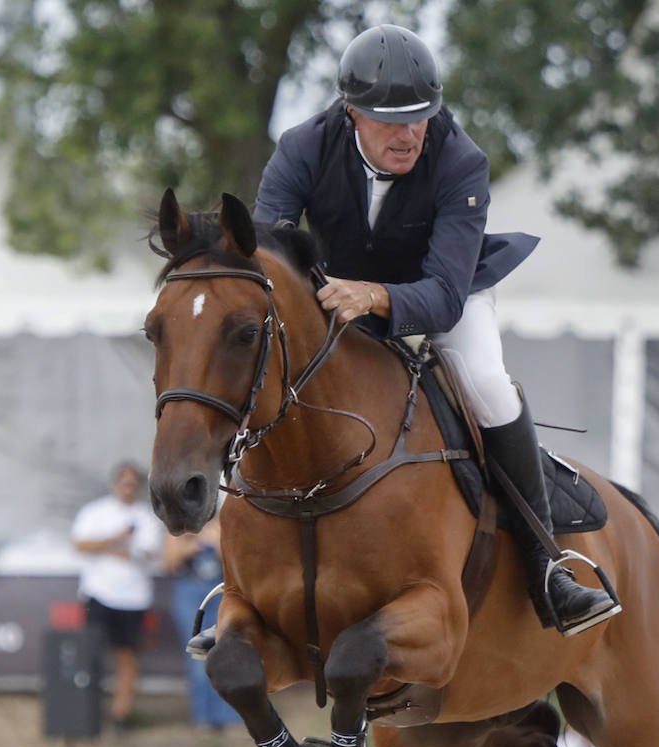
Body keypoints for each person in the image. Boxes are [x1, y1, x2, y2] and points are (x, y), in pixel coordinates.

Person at [252, 24, 617, 637]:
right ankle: (240, 574)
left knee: (487, 383)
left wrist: (374, 295)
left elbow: (445, 297)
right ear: (351, 112)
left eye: (420, 118)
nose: (408, 134)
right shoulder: (301, 147)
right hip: (337, 292)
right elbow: (269, 256)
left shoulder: (460, 160)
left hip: (447, 290)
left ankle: (546, 565)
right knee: (265, 372)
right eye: (390, 121)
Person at [71, 463, 165, 732]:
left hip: (133, 599)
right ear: (115, 484)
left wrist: (105, 547)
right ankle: (86, 713)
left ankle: (120, 715)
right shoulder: (95, 511)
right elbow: (79, 544)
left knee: (127, 658)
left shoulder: (146, 517)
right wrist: (118, 539)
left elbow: (147, 554)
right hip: (98, 593)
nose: (128, 488)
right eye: (124, 483)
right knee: (90, 656)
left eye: (133, 484)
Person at [164, 518, 240, 732]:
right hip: (190, 592)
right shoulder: (180, 526)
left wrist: (218, 545)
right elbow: (169, 564)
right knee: (199, 656)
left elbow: (239, 561)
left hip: (221, 591)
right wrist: (192, 546)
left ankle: (231, 717)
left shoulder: (223, 524)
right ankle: (204, 718)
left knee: (228, 652)